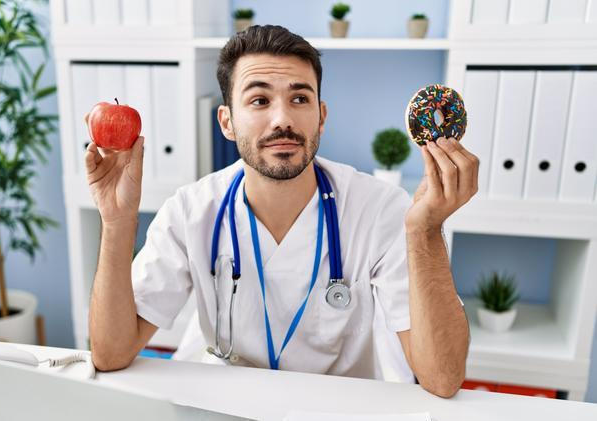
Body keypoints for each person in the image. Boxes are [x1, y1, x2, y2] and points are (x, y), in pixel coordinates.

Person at [84, 25, 476, 398]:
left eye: (300, 99)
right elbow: (110, 354)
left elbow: (442, 378)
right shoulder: (190, 211)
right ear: (227, 122)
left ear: (321, 117)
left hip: (337, 412)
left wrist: (426, 231)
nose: (283, 119)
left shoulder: (380, 210)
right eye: (259, 100)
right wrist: (117, 222)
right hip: (223, 404)